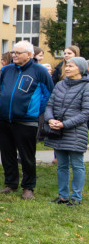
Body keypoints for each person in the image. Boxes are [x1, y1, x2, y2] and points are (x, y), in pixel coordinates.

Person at [0, 40, 53, 200]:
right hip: (5, 120)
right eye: (13, 52)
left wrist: (35, 111)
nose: (14, 55)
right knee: (7, 154)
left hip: (26, 121)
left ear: (29, 55)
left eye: (18, 53)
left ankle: (28, 187)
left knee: (27, 156)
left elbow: (48, 94)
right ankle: (11, 183)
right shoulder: (7, 70)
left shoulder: (40, 71)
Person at [43, 56, 89, 205]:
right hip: (58, 131)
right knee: (62, 165)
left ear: (80, 69)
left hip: (75, 132)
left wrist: (65, 124)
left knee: (77, 165)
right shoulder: (60, 85)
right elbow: (49, 105)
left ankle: (76, 198)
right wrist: (50, 119)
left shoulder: (86, 86)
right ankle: (63, 196)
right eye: (67, 66)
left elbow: (85, 113)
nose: (67, 68)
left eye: (71, 66)